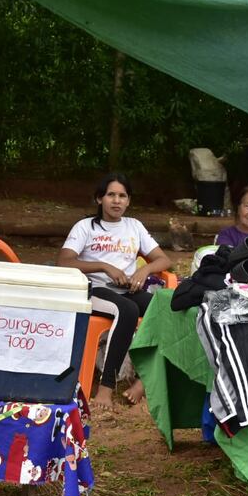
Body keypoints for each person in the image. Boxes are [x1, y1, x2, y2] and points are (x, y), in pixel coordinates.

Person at [57, 173, 171, 411]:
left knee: (166, 309)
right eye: (111, 195)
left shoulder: (134, 226)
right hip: (95, 289)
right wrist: (103, 266)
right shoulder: (86, 227)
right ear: (100, 199)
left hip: (127, 289)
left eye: (122, 196)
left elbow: (163, 259)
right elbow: (64, 262)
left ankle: (144, 381)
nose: (116, 201)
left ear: (129, 201)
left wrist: (145, 271)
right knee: (127, 310)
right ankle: (106, 387)